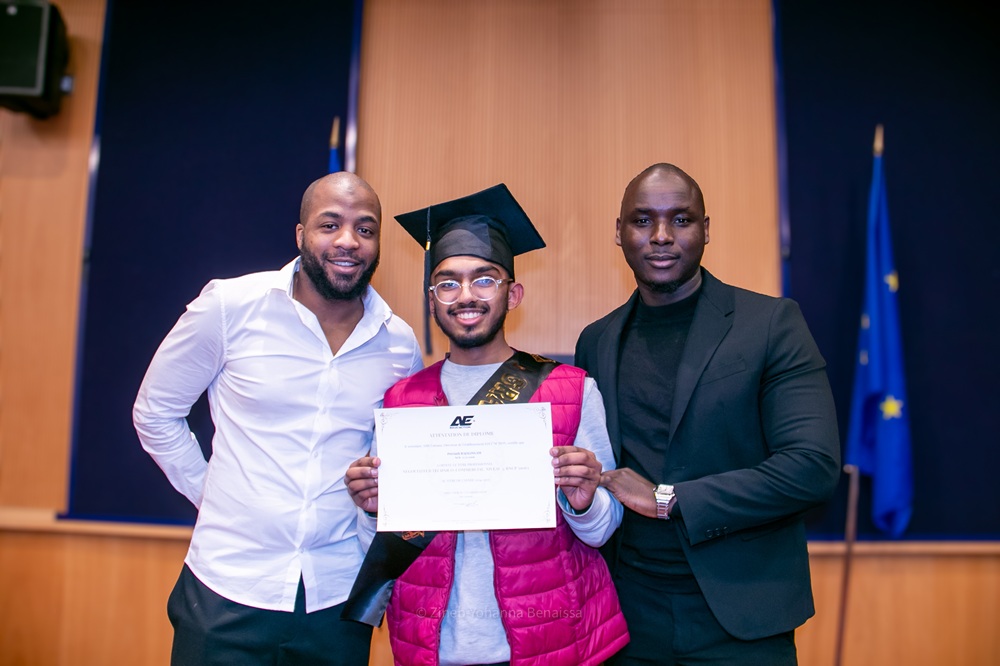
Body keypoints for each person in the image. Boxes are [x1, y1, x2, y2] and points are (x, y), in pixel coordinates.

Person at [132, 172, 423, 665]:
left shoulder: (398, 343)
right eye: (329, 224)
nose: (348, 241)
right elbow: (156, 413)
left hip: (338, 597)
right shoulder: (229, 307)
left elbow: (399, 459)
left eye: (365, 229)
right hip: (227, 586)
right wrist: (214, 495)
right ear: (300, 235)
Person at [344, 184, 630, 666]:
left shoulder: (571, 390)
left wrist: (583, 502)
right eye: (448, 282)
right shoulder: (400, 402)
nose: (466, 296)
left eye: (485, 279)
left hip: (552, 642)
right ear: (432, 298)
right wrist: (371, 508)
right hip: (432, 643)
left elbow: (602, 531)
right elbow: (379, 544)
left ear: (513, 293)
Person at [574, 163, 841, 665]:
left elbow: (812, 468)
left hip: (743, 617)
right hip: (627, 617)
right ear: (618, 232)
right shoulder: (596, 340)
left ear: (706, 230)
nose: (660, 236)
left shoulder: (771, 324)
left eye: (681, 219)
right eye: (642, 220)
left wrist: (667, 499)